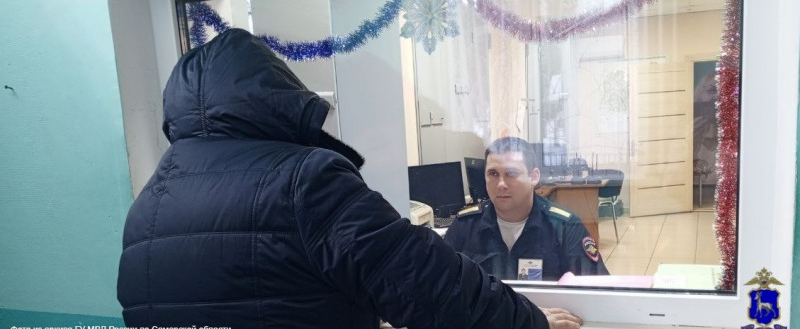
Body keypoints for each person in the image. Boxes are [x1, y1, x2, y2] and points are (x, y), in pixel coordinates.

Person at [116, 29, 583, 329]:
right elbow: (427, 282)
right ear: (277, 99)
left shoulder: (147, 206)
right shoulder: (303, 180)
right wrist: (529, 321)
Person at [444, 137, 609, 281]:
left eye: (511, 173)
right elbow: (441, 289)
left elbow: (596, 291)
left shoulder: (564, 227)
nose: (501, 184)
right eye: (493, 174)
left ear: (534, 177)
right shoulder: (465, 226)